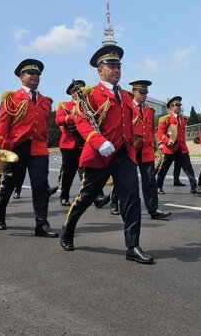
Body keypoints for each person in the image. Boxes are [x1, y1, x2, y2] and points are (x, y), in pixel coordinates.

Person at [60, 45, 153, 264]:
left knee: (131, 198)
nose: (116, 70)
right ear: (99, 71)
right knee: (87, 197)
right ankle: (68, 227)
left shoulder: (126, 95)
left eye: (118, 66)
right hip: (99, 155)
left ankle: (132, 246)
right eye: (110, 66)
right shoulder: (90, 94)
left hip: (124, 155)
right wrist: (97, 141)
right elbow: (82, 121)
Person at [0, 59, 57, 237]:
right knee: (9, 184)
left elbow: (44, 128)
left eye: (37, 74)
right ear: (21, 77)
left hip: (38, 149)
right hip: (16, 149)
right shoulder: (11, 98)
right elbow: (3, 125)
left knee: (41, 187)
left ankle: (41, 224)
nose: (35, 76)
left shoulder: (46, 101)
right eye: (30, 74)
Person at [111, 80, 171, 220]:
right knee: (124, 179)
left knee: (150, 180)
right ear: (134, 92)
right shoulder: (126, 107)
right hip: (130, 148)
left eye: (146, 93)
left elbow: (151, 131)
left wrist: (156, 147)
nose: (144, 95)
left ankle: (153, 209)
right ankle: (114, 202)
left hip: (146, 150)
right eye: (141, 92)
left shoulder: (150, 111)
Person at [155, 97, 201, 195]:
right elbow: (160, 132)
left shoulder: (183, 119)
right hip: (170, 149)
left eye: (180, 105)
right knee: (164, 168)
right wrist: (166, 141)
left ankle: (194, 187)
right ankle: (158, 186)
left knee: (188, 168)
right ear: (171, 107)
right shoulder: (166, 119)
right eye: (177, 105)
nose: (179, 107)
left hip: (182, 148)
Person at [55, 80, 87, 207]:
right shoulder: (65, 107)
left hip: (85, 142)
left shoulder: (87, 105)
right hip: (70, 144)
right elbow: (58, 120)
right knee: (69, 172)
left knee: (89, 171)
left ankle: (97, 196)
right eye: (79, 91)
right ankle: (64, 196)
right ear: (73, 93)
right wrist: (72, 118)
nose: (81, 93)